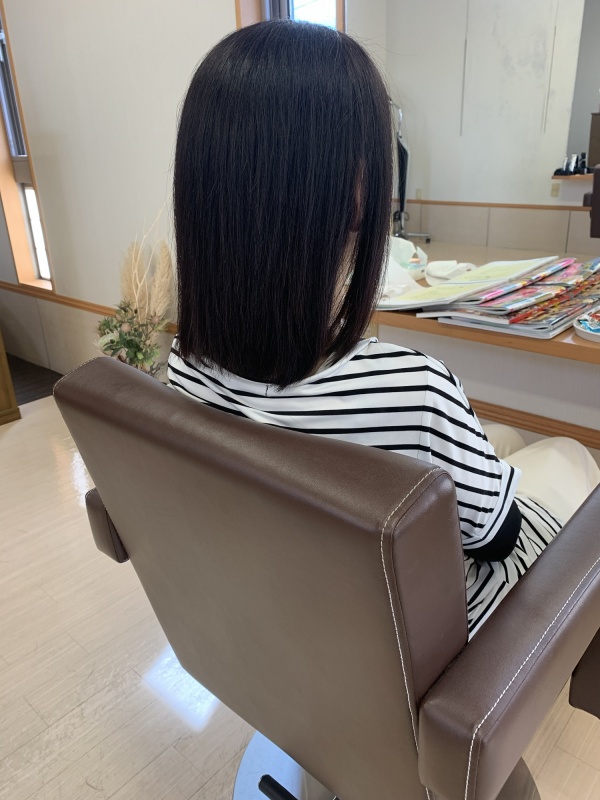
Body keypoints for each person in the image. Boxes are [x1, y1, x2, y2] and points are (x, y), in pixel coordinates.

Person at [167, 20, 600, 638]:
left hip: (294, 607)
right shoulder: (414, 392)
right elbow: (498, 540)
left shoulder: (183, 364)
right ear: (356, 191)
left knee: (499, 436)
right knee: (569, 454)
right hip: (437, 634)